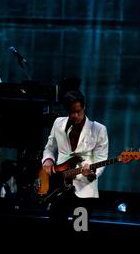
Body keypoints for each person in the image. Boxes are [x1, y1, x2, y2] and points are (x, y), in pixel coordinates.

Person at [41, 90, 108, 233]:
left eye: (78, 111)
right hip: (59, 187)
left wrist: (91, 172)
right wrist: (47, 160)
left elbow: (101, 159)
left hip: (84, 189)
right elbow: (49, 147)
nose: (75, 116)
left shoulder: (98, 129)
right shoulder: (58, 123)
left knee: (80, 229)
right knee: (55, 226)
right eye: (72, 112)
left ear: (84, 108)